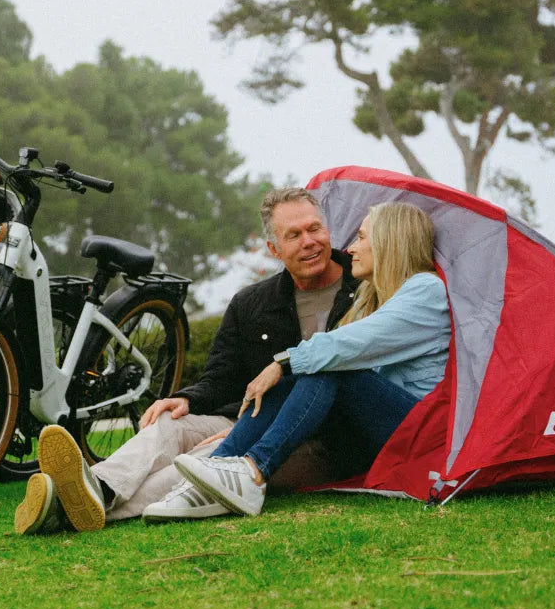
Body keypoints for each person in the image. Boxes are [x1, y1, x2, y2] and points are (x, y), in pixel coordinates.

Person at [13, 186, 360, 534]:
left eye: (314, 228)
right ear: (274, 249)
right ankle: (98, 487)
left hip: (318, 440)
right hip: (246, 419)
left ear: (327, 229)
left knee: (207, 460)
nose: (309, 241)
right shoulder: (251, 303)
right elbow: (220, 378)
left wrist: (241, 435)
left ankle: (70, 506)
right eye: (294, 235)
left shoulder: (365, 286)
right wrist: (185, 399)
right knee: (169, 424)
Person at [173, 202, 451, 517]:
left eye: (361, 238)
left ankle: (253, 471)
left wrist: (281, 362)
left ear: (389, 243)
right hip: (383, 432)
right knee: (310, 370)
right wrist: (247, 430)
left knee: (327, 367)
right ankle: (217, 468)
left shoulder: (426, 291)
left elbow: (345, 347)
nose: (350, 249)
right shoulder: (375, 295)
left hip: (423, 438)